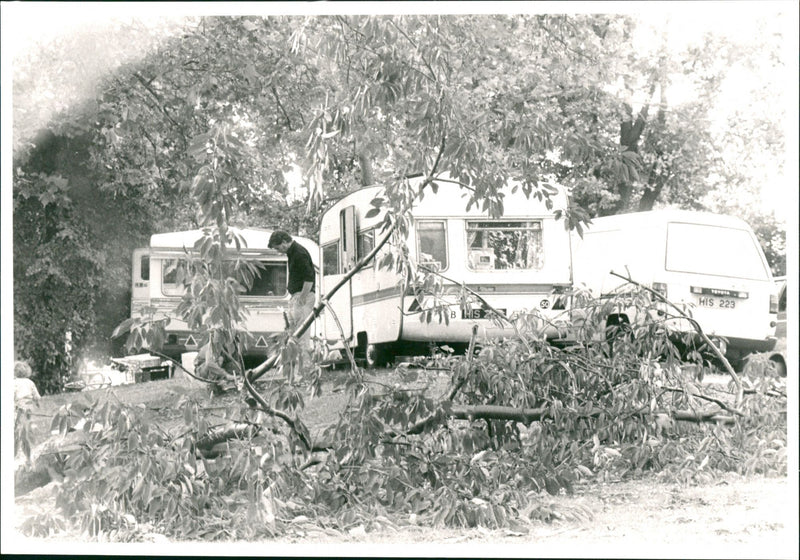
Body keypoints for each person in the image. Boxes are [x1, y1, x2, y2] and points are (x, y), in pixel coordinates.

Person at [268, 230, 316, 352]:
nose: (279, 251)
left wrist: (302, 297)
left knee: (301, 335)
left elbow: (309, 277)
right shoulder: (292, 253)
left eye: (278, 248)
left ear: (284, 242)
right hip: (296, 295)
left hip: (302, 295)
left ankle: (304, 366)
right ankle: (295, 365)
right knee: (293, 334)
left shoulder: (299, 253)